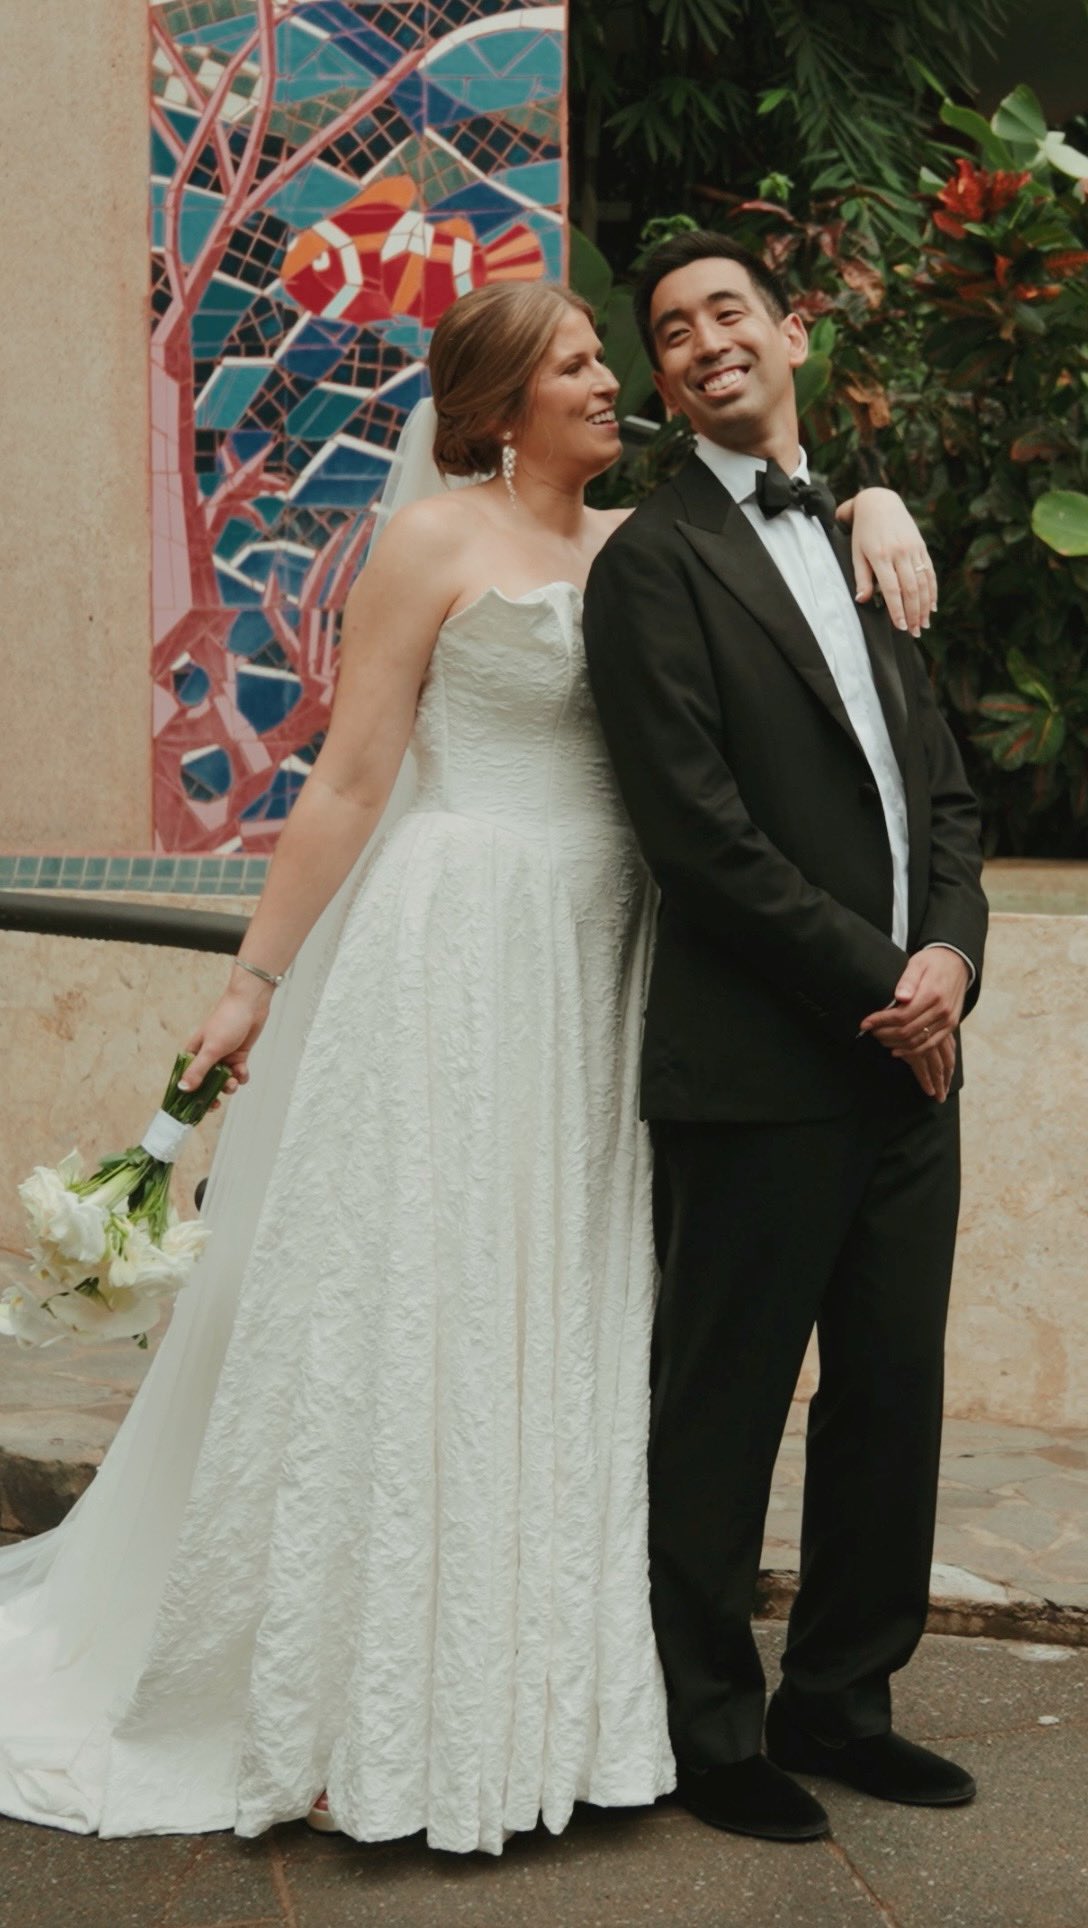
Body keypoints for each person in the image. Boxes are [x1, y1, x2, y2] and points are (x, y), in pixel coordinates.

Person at [0, 279, 940, 1857]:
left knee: (569, 1317)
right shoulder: (436, 542)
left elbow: (763, 539)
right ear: (500, 403)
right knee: (428, 1299)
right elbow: (355, 775)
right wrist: (253, 983)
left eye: (601, 362)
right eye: (580, 365)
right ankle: (360, 1688)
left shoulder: (643, 540)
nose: (611, 386)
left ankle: (549, 1696)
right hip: (459, 947)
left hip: (611, 964)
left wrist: (873, 491)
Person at [582, 231, 988, 1845]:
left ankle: (846, 1699)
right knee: (726, 1403)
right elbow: (699, 837)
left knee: (893, 1395)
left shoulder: (867, 534)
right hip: (760, 1063)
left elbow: (942, 792)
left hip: (916, 1059)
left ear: (792, 332)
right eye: (671, 332)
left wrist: (952, 954)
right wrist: (884, 985)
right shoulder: (654, 564)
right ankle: (712, 1728)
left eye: (727, 312)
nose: (701, 344)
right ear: (665, 376)